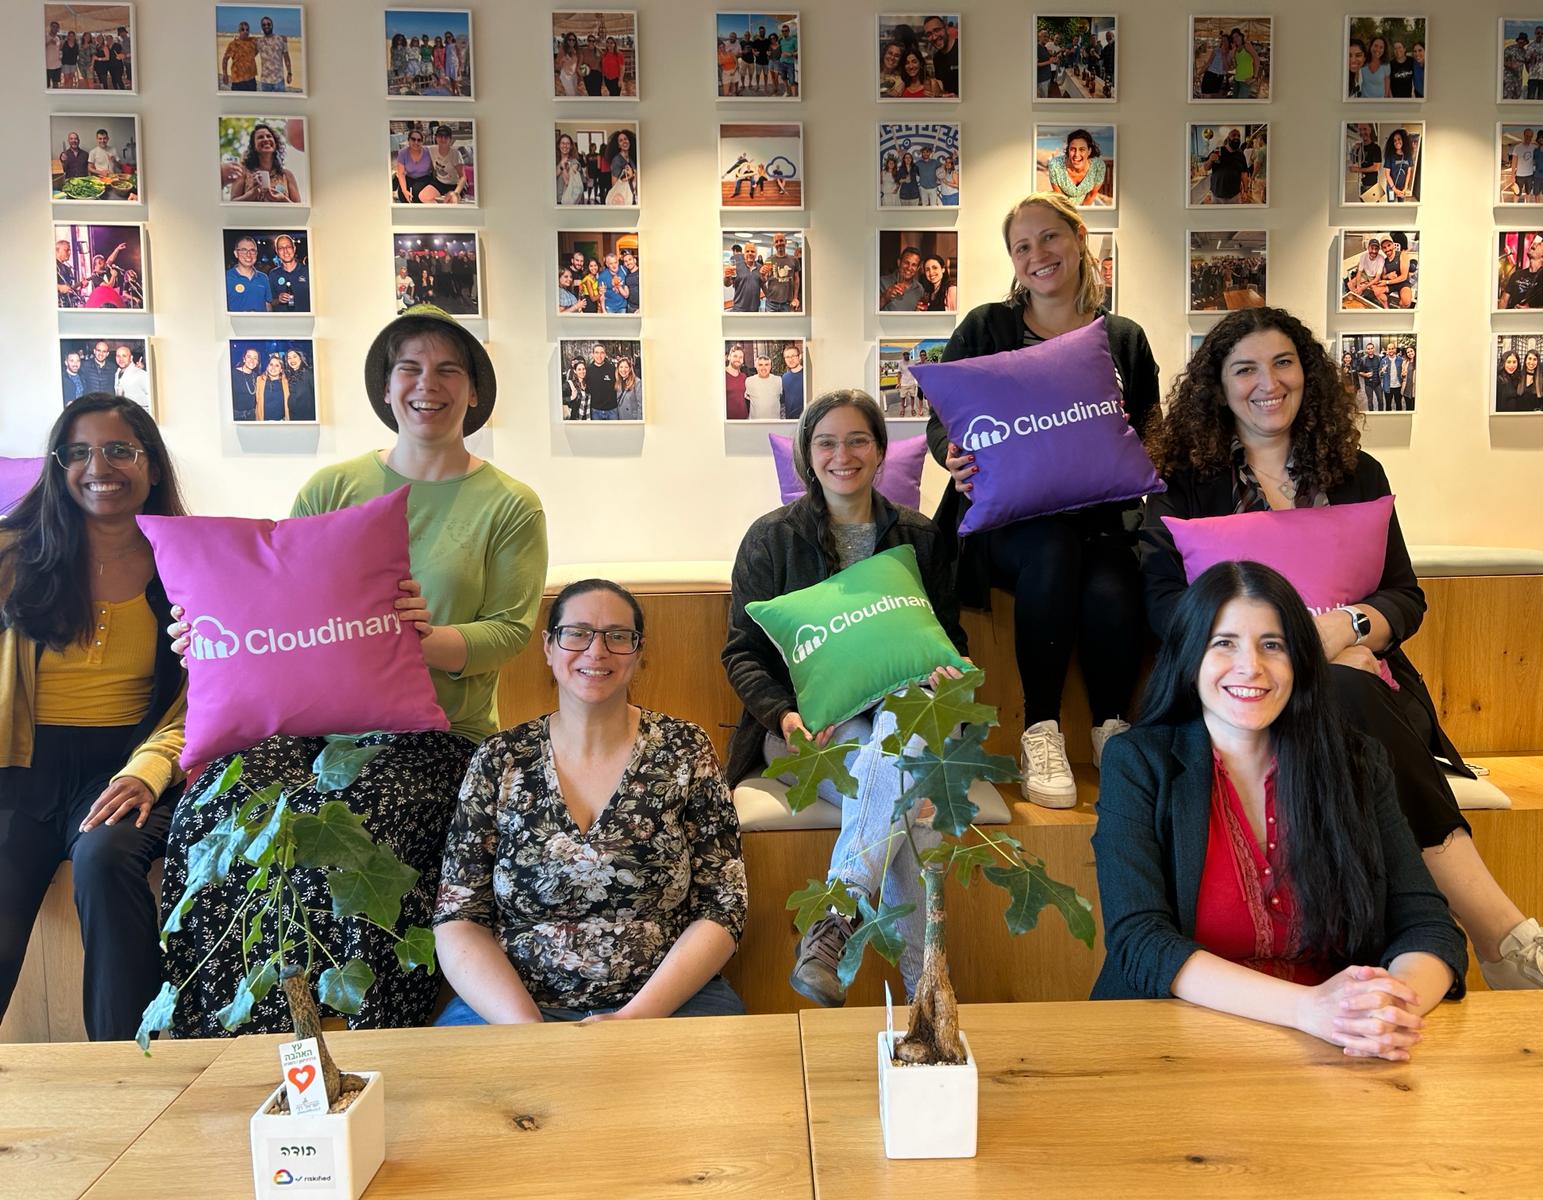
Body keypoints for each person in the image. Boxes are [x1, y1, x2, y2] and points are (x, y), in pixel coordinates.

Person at [1140, 307, 1543, 991]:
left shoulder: (1358, 471)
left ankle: (1478, 945)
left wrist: (1350, 627)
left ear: (1308, 373)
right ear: (1218, 385)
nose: (1268, 382)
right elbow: (1164, 605)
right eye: (1245, 369)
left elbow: (1404, 596)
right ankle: (1504, 938)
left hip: (1365, 678)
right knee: (1346, 689)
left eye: (1284, 363)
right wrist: (1296, 650)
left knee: (1352, 691)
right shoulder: (1180, 479)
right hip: (1237, 690)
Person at [160, 306, 549, 1035]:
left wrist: (414, 641)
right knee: (215, 808)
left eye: (448, 370)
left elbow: (510, 632)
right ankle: (223, 1038)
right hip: (313, 731)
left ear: (474, 391)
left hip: (437, 736)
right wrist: (208, 636)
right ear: (386, 386)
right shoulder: (331, 488)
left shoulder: (509, 505)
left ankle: (373, 1041)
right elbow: (282, 603)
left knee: (370, 820)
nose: (427, 385)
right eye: (410, 368)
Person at [1091, 560, 1467, 1060]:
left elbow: (1428, 924)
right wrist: (1310, 1009)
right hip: (1171, 1044)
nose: (1251, 666)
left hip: (1336, 1049)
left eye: (1273, 645)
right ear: (1189, 656)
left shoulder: (1357, 763)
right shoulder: (1138, 762)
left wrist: (1386, 1008)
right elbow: (1140, 941)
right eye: (1224, 643)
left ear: (1300, 661)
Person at [723, 391, 966, 1007]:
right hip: (809, 734)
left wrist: (947, 678)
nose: (843, 455)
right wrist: (785, 715)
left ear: (881, 450)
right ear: (807, 455)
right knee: (911, 805)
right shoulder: (770, 539)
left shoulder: (920, 537)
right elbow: (741, 654)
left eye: (858, 439)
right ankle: (927, 1001)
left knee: (906, 720)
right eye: (826, 442)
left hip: (910, 723)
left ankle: (837, 912)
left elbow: (949, 640)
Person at [928, 193, 1161, 807]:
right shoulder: (987, 328)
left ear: (1079, 237)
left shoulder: (1124, 338)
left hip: (1102, 519)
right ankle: (1041, 730)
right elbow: (943, 421)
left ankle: (1113, 732)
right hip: (1009, 525)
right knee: (1054, 547)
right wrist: (952, 457)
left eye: (1050, 237)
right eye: (1022, 247)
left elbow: (1151, 431)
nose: (1038, 255)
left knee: (1114, 576)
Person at [434, 580, 745, 1025]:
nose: (596, 651)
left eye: (618, 636)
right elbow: (459, 913)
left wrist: (632, 1020)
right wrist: (528, 1030)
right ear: (548, 646)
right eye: (577, 633)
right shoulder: (500, 757)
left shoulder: (685, 748)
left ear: (637, 651)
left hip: (667, 1005)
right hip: (511, 1008)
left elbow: (723, 904)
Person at [0, 395, 188, 1041]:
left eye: (118, 450)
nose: (98, 467)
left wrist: (149, 770)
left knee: (106, 861)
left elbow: (206, 699)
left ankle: (128, 1070)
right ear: (58, 466)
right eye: (78, 452)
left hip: (128, 769)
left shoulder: (190, 565)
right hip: (19, 770)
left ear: (152, 466)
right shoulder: (12, 556)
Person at [229, 123, 300, 204]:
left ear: (275, 143)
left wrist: (283, 199)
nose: (266, 139)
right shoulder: (243, 172)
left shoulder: (287, 175)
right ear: (254, 146)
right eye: (260, 137)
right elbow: (232, 203)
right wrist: (252, 193)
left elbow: (298, 208)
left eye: (269, 136)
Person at [1046, 130, 1107, 206]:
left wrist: (1083, 211)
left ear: (1089, 151)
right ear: (1068, 150)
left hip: (1087, 205)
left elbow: (1091, 195)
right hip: (1063, 207)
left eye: (1082, 149)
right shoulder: (1055, 165)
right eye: (1073, 149)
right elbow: (1059, 197)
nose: (1076, 154)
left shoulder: (1098, 166)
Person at [1499, 236, 1543, 309]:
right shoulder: (1516, 274)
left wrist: (1531, 310)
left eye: (1539, 244)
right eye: (1534, 243)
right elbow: (1503, 301)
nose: (1534, 243)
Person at [224, 234, 271, 313]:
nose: (248, 254)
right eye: (244, 250)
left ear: (256, 254)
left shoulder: (263, 278)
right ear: (236, 253)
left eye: (252, 250)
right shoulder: (225, 278)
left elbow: (268, 306)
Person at [394, 128, 441, 204]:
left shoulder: (428, 152)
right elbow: (401, 174)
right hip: (409, 177)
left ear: (422, 142)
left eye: (419, 140)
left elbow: (435, 166)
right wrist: (404, 190)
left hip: (425, 177)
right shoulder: (402, 153)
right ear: (408, 140)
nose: (416, 142)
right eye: (413, 139)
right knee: (402, 195)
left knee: (416, 194)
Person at [1202, 129, 1249, 205]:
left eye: (1239, 136)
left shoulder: (1240, 154)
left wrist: (1246, 191)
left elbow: (1244, 173)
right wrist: (1210, 160)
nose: (1236, 138)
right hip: (1217, 196)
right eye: (1233, 135)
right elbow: (1206, 168)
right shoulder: (1218, 150)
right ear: (1228, 138)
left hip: (1234, 196)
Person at [269, 234, 311, 313]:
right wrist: (278, 300)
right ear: (277, 252)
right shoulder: (273, 274)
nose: (285, 251)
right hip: (283, 319)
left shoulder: (308, 271)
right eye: (281, 248)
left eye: (288, 247)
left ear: (294, 248)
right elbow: (270, 302)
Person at [427, 126, 469, 204]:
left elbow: (463, 177)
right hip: (439, 182)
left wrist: (456, 193)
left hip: (454, 184)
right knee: (423, 196)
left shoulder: (455, 154)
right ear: (436, 138)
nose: (443, 139)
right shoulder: (431, 150)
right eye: (440, 136)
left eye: (446, 137)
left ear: (450, 139)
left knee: (452, 201)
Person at [879, 245, 926, 312]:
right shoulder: (882, 282)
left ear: (917, 269)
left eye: (914, 265)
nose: (909, 268)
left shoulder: (920, 289)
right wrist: (884, 298)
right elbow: (868, 310)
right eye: (906, 263)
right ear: (899, 263)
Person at [764, 234, 801, 313]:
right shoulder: (769, 260)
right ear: (774, 244)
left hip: (787, 303)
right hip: (771, 303)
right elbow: (764, 279)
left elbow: (796, 280)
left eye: (781, 240)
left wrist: (795, 297)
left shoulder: (794, 260)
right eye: (776, 241)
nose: (779, 243)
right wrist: (762, 274)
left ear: (785, 242)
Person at [923, 15, 958, 96]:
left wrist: (957, 97)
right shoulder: (937, 58)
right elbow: (944, 89)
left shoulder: (961, 48)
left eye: (937, 30)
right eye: (929, 34)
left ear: (946, 28)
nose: (934, 37)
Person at [256, 14, 291, 92]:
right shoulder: (259, 42)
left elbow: (286, 57)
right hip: (265, 81)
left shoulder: (281, 39)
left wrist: (289, 73)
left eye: (268, 24)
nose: (266, 26)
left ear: (272, 25)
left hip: (279, 80)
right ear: (261, 27)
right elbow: (251, 55)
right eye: (264, 25)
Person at [744, 354, 783, 420]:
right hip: (755, 422)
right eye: (760, 365)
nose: (763, 368)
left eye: (766, 365)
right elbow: (747, 398)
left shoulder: (778, 380)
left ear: (770, 366)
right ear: (756, 366)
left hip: (774, 422)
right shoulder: (749, 381)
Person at [586, 343, 619, 420]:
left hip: (612, 410)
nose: (599, 356)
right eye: (596, 353)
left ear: (605, 354)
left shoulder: (612, 369)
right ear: (593, 354)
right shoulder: (588, 370)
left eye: (602, 353)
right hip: (595, 411)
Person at [728, 243, 764, 313]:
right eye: (747, 251)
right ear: (744, 253)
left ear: (756, 254)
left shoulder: (760, 267)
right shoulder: (736, 266)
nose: (750, 253)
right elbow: (727, 283)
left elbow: (762, 284)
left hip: (754, 309)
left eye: (752, 251)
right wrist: (727, 277)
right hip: (739, 309)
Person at [1382, 128, 1415, 203]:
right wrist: (1394, 189)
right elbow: (1387, 174)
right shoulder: (1390, 156)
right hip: (1391, 188)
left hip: (1402, 189)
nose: (1397, 142)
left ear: (1403, 140)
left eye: (1399, 139)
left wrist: (1405, 188)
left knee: (1401, 207)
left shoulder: (1408, 156)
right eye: (1394, 140)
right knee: (1391, 207)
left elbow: (1408, 173)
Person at [221, 21, 258, 90]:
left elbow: (258, 49)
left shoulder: (253, 41)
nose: (245, 31)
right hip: (237, 81)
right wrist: (225, 74)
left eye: (247, 30)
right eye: (243, 29)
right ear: (239, 31)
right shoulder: (233, 44)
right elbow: (225, 59)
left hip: (251, 80)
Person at [254, 353, 289, 421]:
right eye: (271, 364)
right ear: (267, 367)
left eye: (277, 365)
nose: (273, 368)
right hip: (263, 421)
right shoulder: (259, 380)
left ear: (281, 370)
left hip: (281, 421)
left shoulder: (287, 382)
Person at [1506, 128, 1537, 203]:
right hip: (1519, 175)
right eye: (1527, 136)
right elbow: (1513, 163)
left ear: (1532, 137)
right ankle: (1514, 206)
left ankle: (1527, 206)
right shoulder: (1517, 147)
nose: (1528, 138)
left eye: (1530, 136)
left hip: (1530, 175)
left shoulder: (1534, 147)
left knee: (1528, 193)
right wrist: (1512, 176)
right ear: (1524, 135)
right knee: (1517, 193)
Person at [113, 344, 148, 409]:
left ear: (131, 358)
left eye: (124, 356)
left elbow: (152, 396)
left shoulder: (140, 374)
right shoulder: (117, 373)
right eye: (118, 356)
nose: (121, 359)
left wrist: (135, 405)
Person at [284, 348, 314, 421]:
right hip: (293, 416)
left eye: (295, 356)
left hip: (306, 418)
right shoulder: (290, 375)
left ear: (300, 358)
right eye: (289, 358)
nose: (292, 360)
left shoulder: (308, 374)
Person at [230, 347, 260, 420]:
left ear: (257, 362)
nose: (252, 360)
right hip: (236, 415)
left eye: (255, 358)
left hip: (252, 414)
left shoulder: (256, 376)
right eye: (249, 357)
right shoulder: (233, 373)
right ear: (244, 359)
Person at [1229, 28, 1259, 98]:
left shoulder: (1246, 45)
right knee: (1234, 100)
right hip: (1236, 79)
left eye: (1237, 36)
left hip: (1246, 80)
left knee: (1241, 101)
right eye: (1233, 38)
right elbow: (1235, 65)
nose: (1235, 39)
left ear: (1241, 36)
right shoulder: (1236, 49)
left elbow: (1257, 59)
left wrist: (1254, 77)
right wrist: (1232, 53)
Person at [780, 343, 805, 420]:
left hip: (804, 419)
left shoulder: (806, 375)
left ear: (799, 356)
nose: (790, 359)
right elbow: (783, 399)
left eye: (793, 356)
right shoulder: (784, 377)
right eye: (787, 357)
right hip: (789, 420)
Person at [614, 356, 643, 422]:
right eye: (621, 367)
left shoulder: (637, 382)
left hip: (632, 418)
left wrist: (639, 422)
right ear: (618, 369)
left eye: (626, 367)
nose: (623, 370)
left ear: (630, 369)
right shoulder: (618, 382)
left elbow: (641, 405)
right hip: (621, 417)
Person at [724, 346, 748, 419]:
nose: (738, 359)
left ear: (743, 360)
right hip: (728, 420)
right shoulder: (722, 376)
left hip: (744, 418)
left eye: (740, 357)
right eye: (735, 356)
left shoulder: (744, 376)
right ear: (729, 357)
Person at [1503, 30, 1528, 100]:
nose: (1522, 42)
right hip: (1508, 79)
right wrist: (1511, 65)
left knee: (1516, 98)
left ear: (1525, 42)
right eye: (1521, 40)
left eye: (1524, 41)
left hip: (1518, 80)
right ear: (1518, 40)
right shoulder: (1509, 49)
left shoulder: (1525, 52)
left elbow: (1527, 64)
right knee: (1507, 98)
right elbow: (1502, 62)